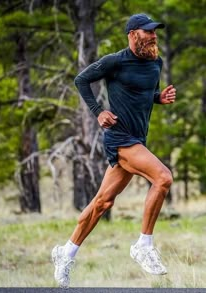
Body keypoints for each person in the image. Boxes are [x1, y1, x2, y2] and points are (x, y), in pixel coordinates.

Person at [51, 13, 176, 288]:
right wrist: (98, 112)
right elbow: (81, 80)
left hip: (137, 140)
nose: (154, 35)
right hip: (119, 138)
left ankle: (65, 252)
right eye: (148, 32)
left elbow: (143, 93)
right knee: (163, 177)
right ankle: (143, 244)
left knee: (102, 203)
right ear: (133, 35)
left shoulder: (156, 62)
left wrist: (159, 98)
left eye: (155, 31)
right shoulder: (115, 61)